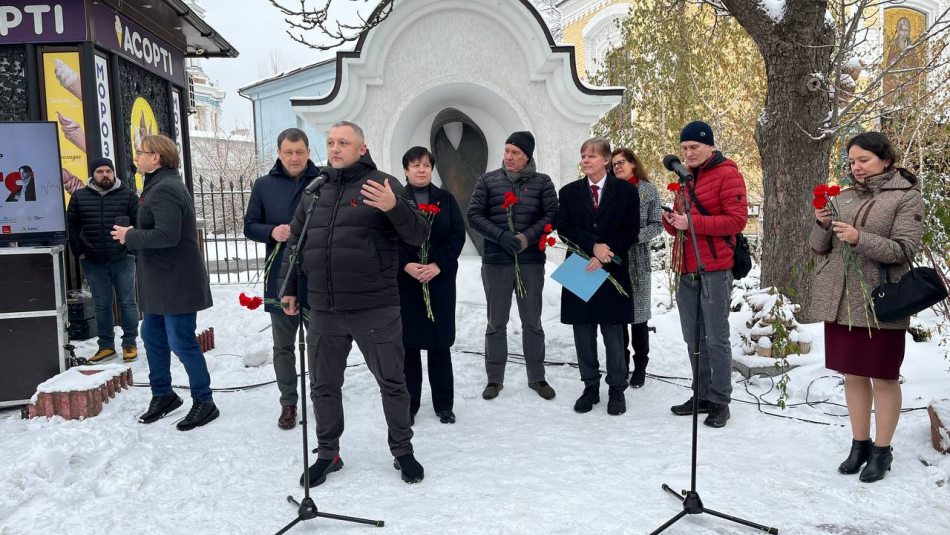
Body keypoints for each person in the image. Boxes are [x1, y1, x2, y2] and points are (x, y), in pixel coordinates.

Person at [280, 121, 428, 486]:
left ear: (361, 148)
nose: (335, 148)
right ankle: (328, 454)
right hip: (325, 309)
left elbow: (418, 233)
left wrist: (396, 208)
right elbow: (297, 243)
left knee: (392, 382)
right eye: (330, 142)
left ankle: (403, 451)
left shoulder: (382, 184)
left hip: (374, 307)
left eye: (343, 142)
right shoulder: (316, 190)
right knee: (323, 385)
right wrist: (291, 287)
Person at [809, 131, 924, 483]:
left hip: (881, 302)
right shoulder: (842, 197)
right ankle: (859, 443)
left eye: (864, 160)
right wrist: (821, 223)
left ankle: (882, 450)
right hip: (841, 300)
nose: (856, 168)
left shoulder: (907, 197)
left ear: (885, 159)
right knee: (853, 374)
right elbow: (817, 247)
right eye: (852, 161)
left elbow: (904, 250)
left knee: (884, 377)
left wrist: (860, 239)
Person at [111, 134, 217, 432]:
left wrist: (129, 236)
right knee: (152, 334)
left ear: (156, 157)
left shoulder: (166, 188)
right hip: (162, 280)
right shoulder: (158, 184)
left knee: (181, 341)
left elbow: (166, 236)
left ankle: (205, 401)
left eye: (141, 152)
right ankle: (164, 394)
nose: (137, 157)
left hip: (176, 281)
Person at [662, 121, 747, 428]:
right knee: (692, 337)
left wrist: (691, 223)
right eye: (684, 148)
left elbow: (736, 222)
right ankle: (702, 394)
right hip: (686, 267)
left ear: (709, 145)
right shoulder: (684, 179)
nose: (688, 154)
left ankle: (721, 401)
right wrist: (671, 221)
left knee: (716, 338)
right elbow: (681, 226)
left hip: (714, 268)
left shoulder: (728, 174)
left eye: (694, 147)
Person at [466, 131, 559, 401]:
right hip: (496, 262)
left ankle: (537, 377)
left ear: (527, 156)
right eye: (506, 151)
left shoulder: (542, 183)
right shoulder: (488, 180)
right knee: (496, 322)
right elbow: (473, 214)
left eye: (515, 152)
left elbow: (552, 213)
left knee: (533, 322)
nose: (508, 157)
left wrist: (527, 237)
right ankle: (494, 379)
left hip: (530, 262)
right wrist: (501, 236)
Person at [244, 128, 320, 430]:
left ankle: (321, 396)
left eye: (300, 151)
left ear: (308, 151)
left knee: (319, 343)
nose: (294, 157)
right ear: (279, 153)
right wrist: (271, 231)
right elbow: (250, 226)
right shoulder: (264, 185)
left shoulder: (323, 182)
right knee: (283, 346)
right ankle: (289, 402)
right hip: (280, 274)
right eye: (288, 152)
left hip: (316, 274)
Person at [557, 138, 639, 415]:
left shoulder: (625, 192)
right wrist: (592, 245)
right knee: (583, 330)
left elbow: (631, 229)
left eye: (591, 156)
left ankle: (617, 388)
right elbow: (564, 228)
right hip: (580, 265)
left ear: (605, 160)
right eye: (582, 156)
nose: (585, 160)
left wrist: (606, 252)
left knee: (613, 331)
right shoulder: (568, 192)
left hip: (611, 267)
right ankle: (590, 386)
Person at [397, 146, 466, 425]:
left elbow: (456, 236)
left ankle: (444, 405)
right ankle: (409, 405)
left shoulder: (446, 200)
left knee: (439, 346)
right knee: (409, 347)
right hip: (407, 282)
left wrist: (437, 265)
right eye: (415, 165)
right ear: (406, 170)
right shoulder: (397, 200)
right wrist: (406, 264)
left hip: (439, 281)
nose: (421, 169)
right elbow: (386, 238)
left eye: (426, 164)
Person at [66, 157, 139, 363]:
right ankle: (106, 346)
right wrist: (80, 252)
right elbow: (72, 226)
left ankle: (129, 344)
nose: (105, 174)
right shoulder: (79, 197)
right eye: (100, 171)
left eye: (108, 171)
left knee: (127, 302)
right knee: (101, 304)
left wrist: (132, 249)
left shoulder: (128, 195)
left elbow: (139, 223)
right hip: (93, 259)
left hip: (123, 258)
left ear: (113, 173)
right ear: (93, 174)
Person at [611, 148, 663, 388]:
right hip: (613, 258)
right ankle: (621, 365)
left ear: (633, 163)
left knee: (639, 316)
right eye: (614, 164)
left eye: (622, 162)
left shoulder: (648, 190)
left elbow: (657, 224)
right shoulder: (608, 189)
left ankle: (640, 366)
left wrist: (635, 236)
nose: (617, 167)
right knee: (618, 316)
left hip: (638, 257)